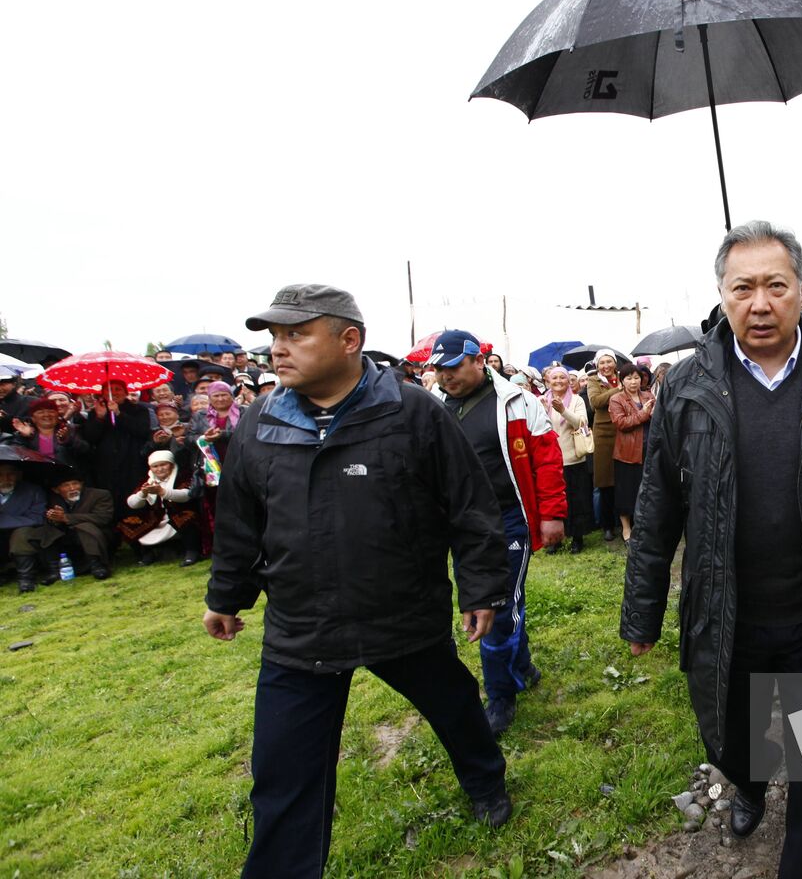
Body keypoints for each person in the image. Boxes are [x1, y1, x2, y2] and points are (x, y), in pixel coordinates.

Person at [622, 221, 802, 879]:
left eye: (775, 286)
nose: (760, 303)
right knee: (732, 738)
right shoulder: (687, 385)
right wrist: (641, 610)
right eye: (743, 287)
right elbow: (658, 505)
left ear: (800, 290)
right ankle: (749, 785)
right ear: (722, 295)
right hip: (728, 614)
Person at [204, 285, 516, 876]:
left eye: (296, 334)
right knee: (282, 775)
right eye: (273, 336)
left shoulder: (412, 412)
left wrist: (482, 588)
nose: (278, 348)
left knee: (454, 708)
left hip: (402, 616)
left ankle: (485, 780)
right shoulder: (259, 424)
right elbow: (240, 522)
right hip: (301, 632)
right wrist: (226, 596)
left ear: (350, 340)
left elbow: (468, 507)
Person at [429, 329, 566, 738]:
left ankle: (500, 695)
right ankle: (521, 667)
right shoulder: (430, 406)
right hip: (454, 523)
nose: (446, 376)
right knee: (489, 603)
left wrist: (552, 514)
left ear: (478, 360)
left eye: (453, 367)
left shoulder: (518, 401)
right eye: (439, 370)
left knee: (499, 606)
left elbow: (547, 459)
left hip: (508, 518)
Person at [9, 471, 115, 583]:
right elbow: (46, 519)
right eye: (66, 485)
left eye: (75, 483)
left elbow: (103, 518)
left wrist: (66, 518)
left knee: (85, 527)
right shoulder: (52, 499)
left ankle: (97, 565)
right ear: (56, 490)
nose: (72, 488)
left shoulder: (99, 495)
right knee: (45, 532)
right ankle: (54, 571)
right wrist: (54, 519)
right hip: (65, 537)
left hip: (95, 535)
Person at [81, 378, 153, 529]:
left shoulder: (139, 410)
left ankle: (138, 536)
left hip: (132, 462)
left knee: (134, 498)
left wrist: (119, 414)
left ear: (126, 392)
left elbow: (142, 431)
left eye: (118, 389)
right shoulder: (96, 412)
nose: (113, 393)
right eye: (109, 390)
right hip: (106, 464)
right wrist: (100, 418)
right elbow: (90, 438)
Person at [539, 365, 592, 554]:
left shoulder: (576, 400)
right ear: (548, 381)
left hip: (573, 458)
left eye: (563, 378)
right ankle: (555, 539)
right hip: (550, 461)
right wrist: (545, 411)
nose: (559, 381)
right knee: (554, 501)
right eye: (555, 378)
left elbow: (581, 423)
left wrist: (563, 410)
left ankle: (577, 537)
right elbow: (537, 428)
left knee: (576, 500)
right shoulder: (541, 401)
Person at [119, 449, 201, 566]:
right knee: (126, 523)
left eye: (163, 464)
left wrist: (162, 491)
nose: (159, 469)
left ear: (171, 465)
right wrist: (143, 493)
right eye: (155, 466)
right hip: (156, 518)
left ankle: (192, 552)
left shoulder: (182, 476)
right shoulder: (148, 480)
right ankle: (146, 554)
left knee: (188, 517)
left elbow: (187, 495)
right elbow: (132, 503)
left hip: (178, 514)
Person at [190, 380, 242, 560]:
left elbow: (248, 434)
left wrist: (224, 435)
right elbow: (190, 437)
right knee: (216, 506)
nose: (220, 399)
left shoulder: (243, 412)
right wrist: (205, 437)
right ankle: (221, 546)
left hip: (238, 463)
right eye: (216, 396)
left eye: (224, 395)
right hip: (212, 468)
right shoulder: (201, 416)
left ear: (231, 396)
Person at [607, 363, 655, 543]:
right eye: (629, 378)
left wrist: (655, 412)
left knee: (648, 491)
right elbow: (621, 423)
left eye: (636, 378)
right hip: (627, 453)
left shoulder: (648, 395)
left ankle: (645, 527)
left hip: (648, 450)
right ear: (622, 380)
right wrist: (643, 414)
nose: (633, 382)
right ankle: (626, 529)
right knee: (626, 493)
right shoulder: (616, 399)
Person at [587, 350, 623, 540]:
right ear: (597, 365)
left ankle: (625, 522)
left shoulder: (623, 377)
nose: (606, 366)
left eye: (609, 361)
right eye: (602, 362)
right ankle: (607, 525)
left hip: (624, 431)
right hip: (604, 434)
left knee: (624, 478)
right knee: (605, 481)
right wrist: (618, 390)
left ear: (615, 364)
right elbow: (596, 402)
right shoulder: (594, 381)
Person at [8, 397, 91, 477]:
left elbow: (85, 450)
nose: (46, 415)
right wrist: (24, 437)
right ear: (33, 418)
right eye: (40, 412)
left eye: (51, 411)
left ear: (57, 415)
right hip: (36, 477)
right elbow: (14, 457)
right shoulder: (23, 434)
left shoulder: (71, 429)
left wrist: (68, 441)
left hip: (66, 477)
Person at [1, 462, 48, 592]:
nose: (6, 479)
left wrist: (4, 520)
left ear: (18, 475)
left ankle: (26, 579)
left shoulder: (33, 491)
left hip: (26, 532)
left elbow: (37, 518)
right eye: (1, 475)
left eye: (10, 474)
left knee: (21, 535)